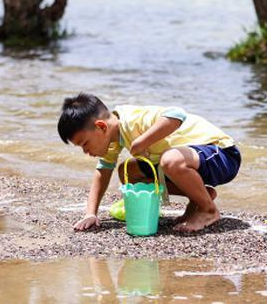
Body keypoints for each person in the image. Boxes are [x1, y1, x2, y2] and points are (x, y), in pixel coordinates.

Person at [57, 93, 241, 232]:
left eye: (85, 144)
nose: (85, 152)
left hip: (221, 154)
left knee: (170, 160)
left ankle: (208, 210)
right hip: (194, 162)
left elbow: (177, 114)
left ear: (101, 126)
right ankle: (200, 197)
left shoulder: (132, 120)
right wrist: (91, 213)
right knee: (129, 171)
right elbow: (103, 172)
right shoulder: (112, 140)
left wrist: (141, 142)